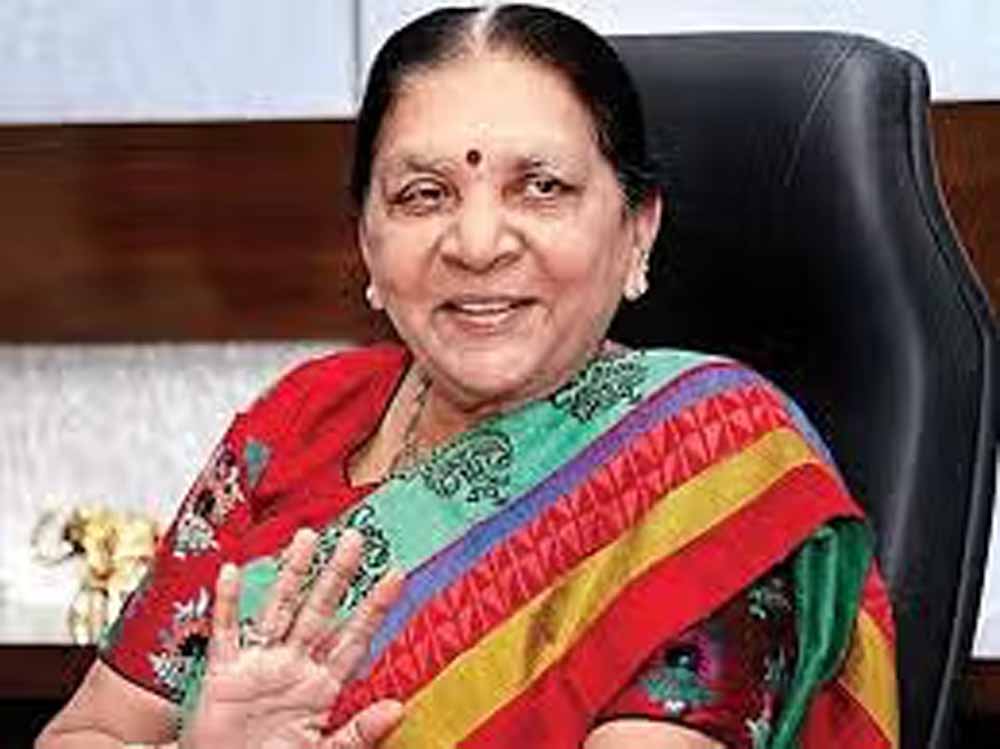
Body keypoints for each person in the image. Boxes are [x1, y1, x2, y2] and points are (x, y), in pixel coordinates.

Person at [37, 5, 899, 748]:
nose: (478, 244)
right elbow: (86, 730)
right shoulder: (297, 421)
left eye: (542, 186)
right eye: (424, 194)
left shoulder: (709, 466)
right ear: (367, 243)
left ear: (638, 230)